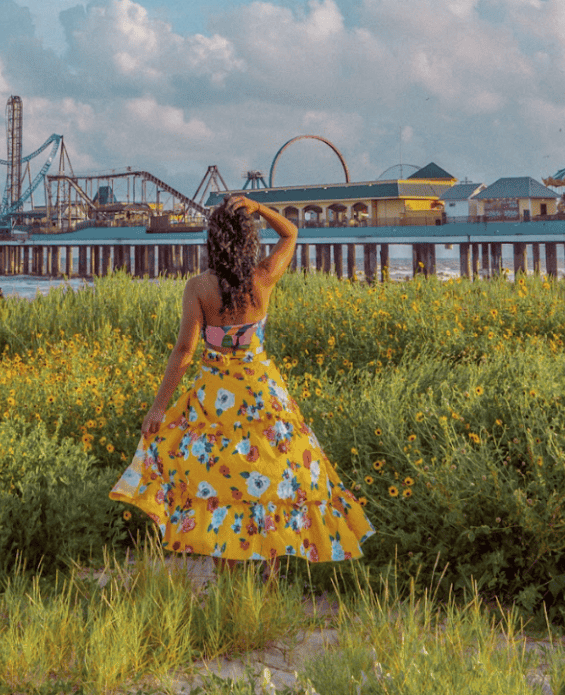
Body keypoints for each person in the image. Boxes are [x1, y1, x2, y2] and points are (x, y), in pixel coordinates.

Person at [110, 194, 374, 568]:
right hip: (264, 394)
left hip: (214, 399)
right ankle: (267, 579)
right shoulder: (262, 278)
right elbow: (290, 233)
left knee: (218, 485)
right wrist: (260, 208)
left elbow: (184, 352)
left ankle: (227, 582)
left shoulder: (199, 287)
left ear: (213, 240)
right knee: (272, 479)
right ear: (248, 239)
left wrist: (158, 407)